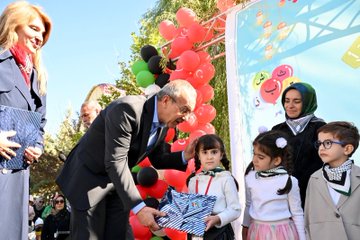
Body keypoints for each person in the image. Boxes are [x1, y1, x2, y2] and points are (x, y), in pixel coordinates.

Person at [56, 79, 197, 239]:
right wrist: (140, 208)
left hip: (114, 184)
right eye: (184, 110)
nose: (186, 118)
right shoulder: (127, 109)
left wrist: (186, 155)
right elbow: (116, 161)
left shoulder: (162, 127)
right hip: (87, 181)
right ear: (166, 100)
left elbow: (158, 159)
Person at [0, 1, 51, 239]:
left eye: (42, 32)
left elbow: (40, 123)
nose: (39, 36)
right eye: (33, 28)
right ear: (14, 26)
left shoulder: (38, 78)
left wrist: (37, 147)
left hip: (18, 175)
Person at [242, 130, 305, 240]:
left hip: (283, 233)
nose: (254, 160)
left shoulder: (289, 181)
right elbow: (248, 205)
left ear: (276, 160)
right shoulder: (251, 177)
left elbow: (297, 213)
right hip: (257, 231)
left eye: (260, 157)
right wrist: (245, 226)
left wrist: (303, 238)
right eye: (254, 154)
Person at [272, 82, 325, 207]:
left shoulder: (321, 128)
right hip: (282, 196)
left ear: (307, 102)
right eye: (287, 100)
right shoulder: (277, 130)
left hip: (313, 196)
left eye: (296, 101)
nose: (290, 106)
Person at [304, 121, 360, 239]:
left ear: (347, 149)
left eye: (328, 143)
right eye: (319, 143)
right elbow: (308, 216)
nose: (321, 148)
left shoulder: (358, 176)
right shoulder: (315, 178)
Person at [186, 134, 241, 239]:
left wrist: (217, 218)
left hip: (220, 233)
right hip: (196, 233)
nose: (209, 157)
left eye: (214, 152)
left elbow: (235, 209)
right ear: (198, 155)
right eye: (205, 152)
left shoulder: (226, 178)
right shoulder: (193, 181)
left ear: (221, 155)